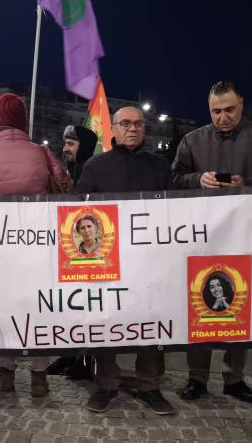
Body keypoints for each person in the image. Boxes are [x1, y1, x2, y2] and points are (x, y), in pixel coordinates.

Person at [172, 81, 252, 403]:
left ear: (241, 105)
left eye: (229, 110)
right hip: (203, 238)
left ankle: (234, 378)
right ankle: (197, 377)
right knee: (199, 304)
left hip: (248, 237)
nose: (222, 117)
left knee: (240, 306)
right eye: (216, 111)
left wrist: (245, 183)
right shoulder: (192, 140)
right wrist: (198, 179)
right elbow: (173, 179)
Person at [77, 106, 174, 415]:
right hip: (107, 264)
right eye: (126, 124)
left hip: (150, 262)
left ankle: (149, 385)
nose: (133, 129)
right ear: (114, 129)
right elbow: (78, 212)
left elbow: (175, 212)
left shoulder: (160, 166)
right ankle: (106, 384)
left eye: (139, 124)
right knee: (106, 323)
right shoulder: (95, 166)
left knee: (152, 323)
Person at [0, 92, 68, 396]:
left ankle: (6, 373)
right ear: (22, 119)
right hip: (40, 246)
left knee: (5, 309)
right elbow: (65, 188)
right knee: (39, 308)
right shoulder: (41, 152)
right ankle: (39, 377)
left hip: (1, 248)